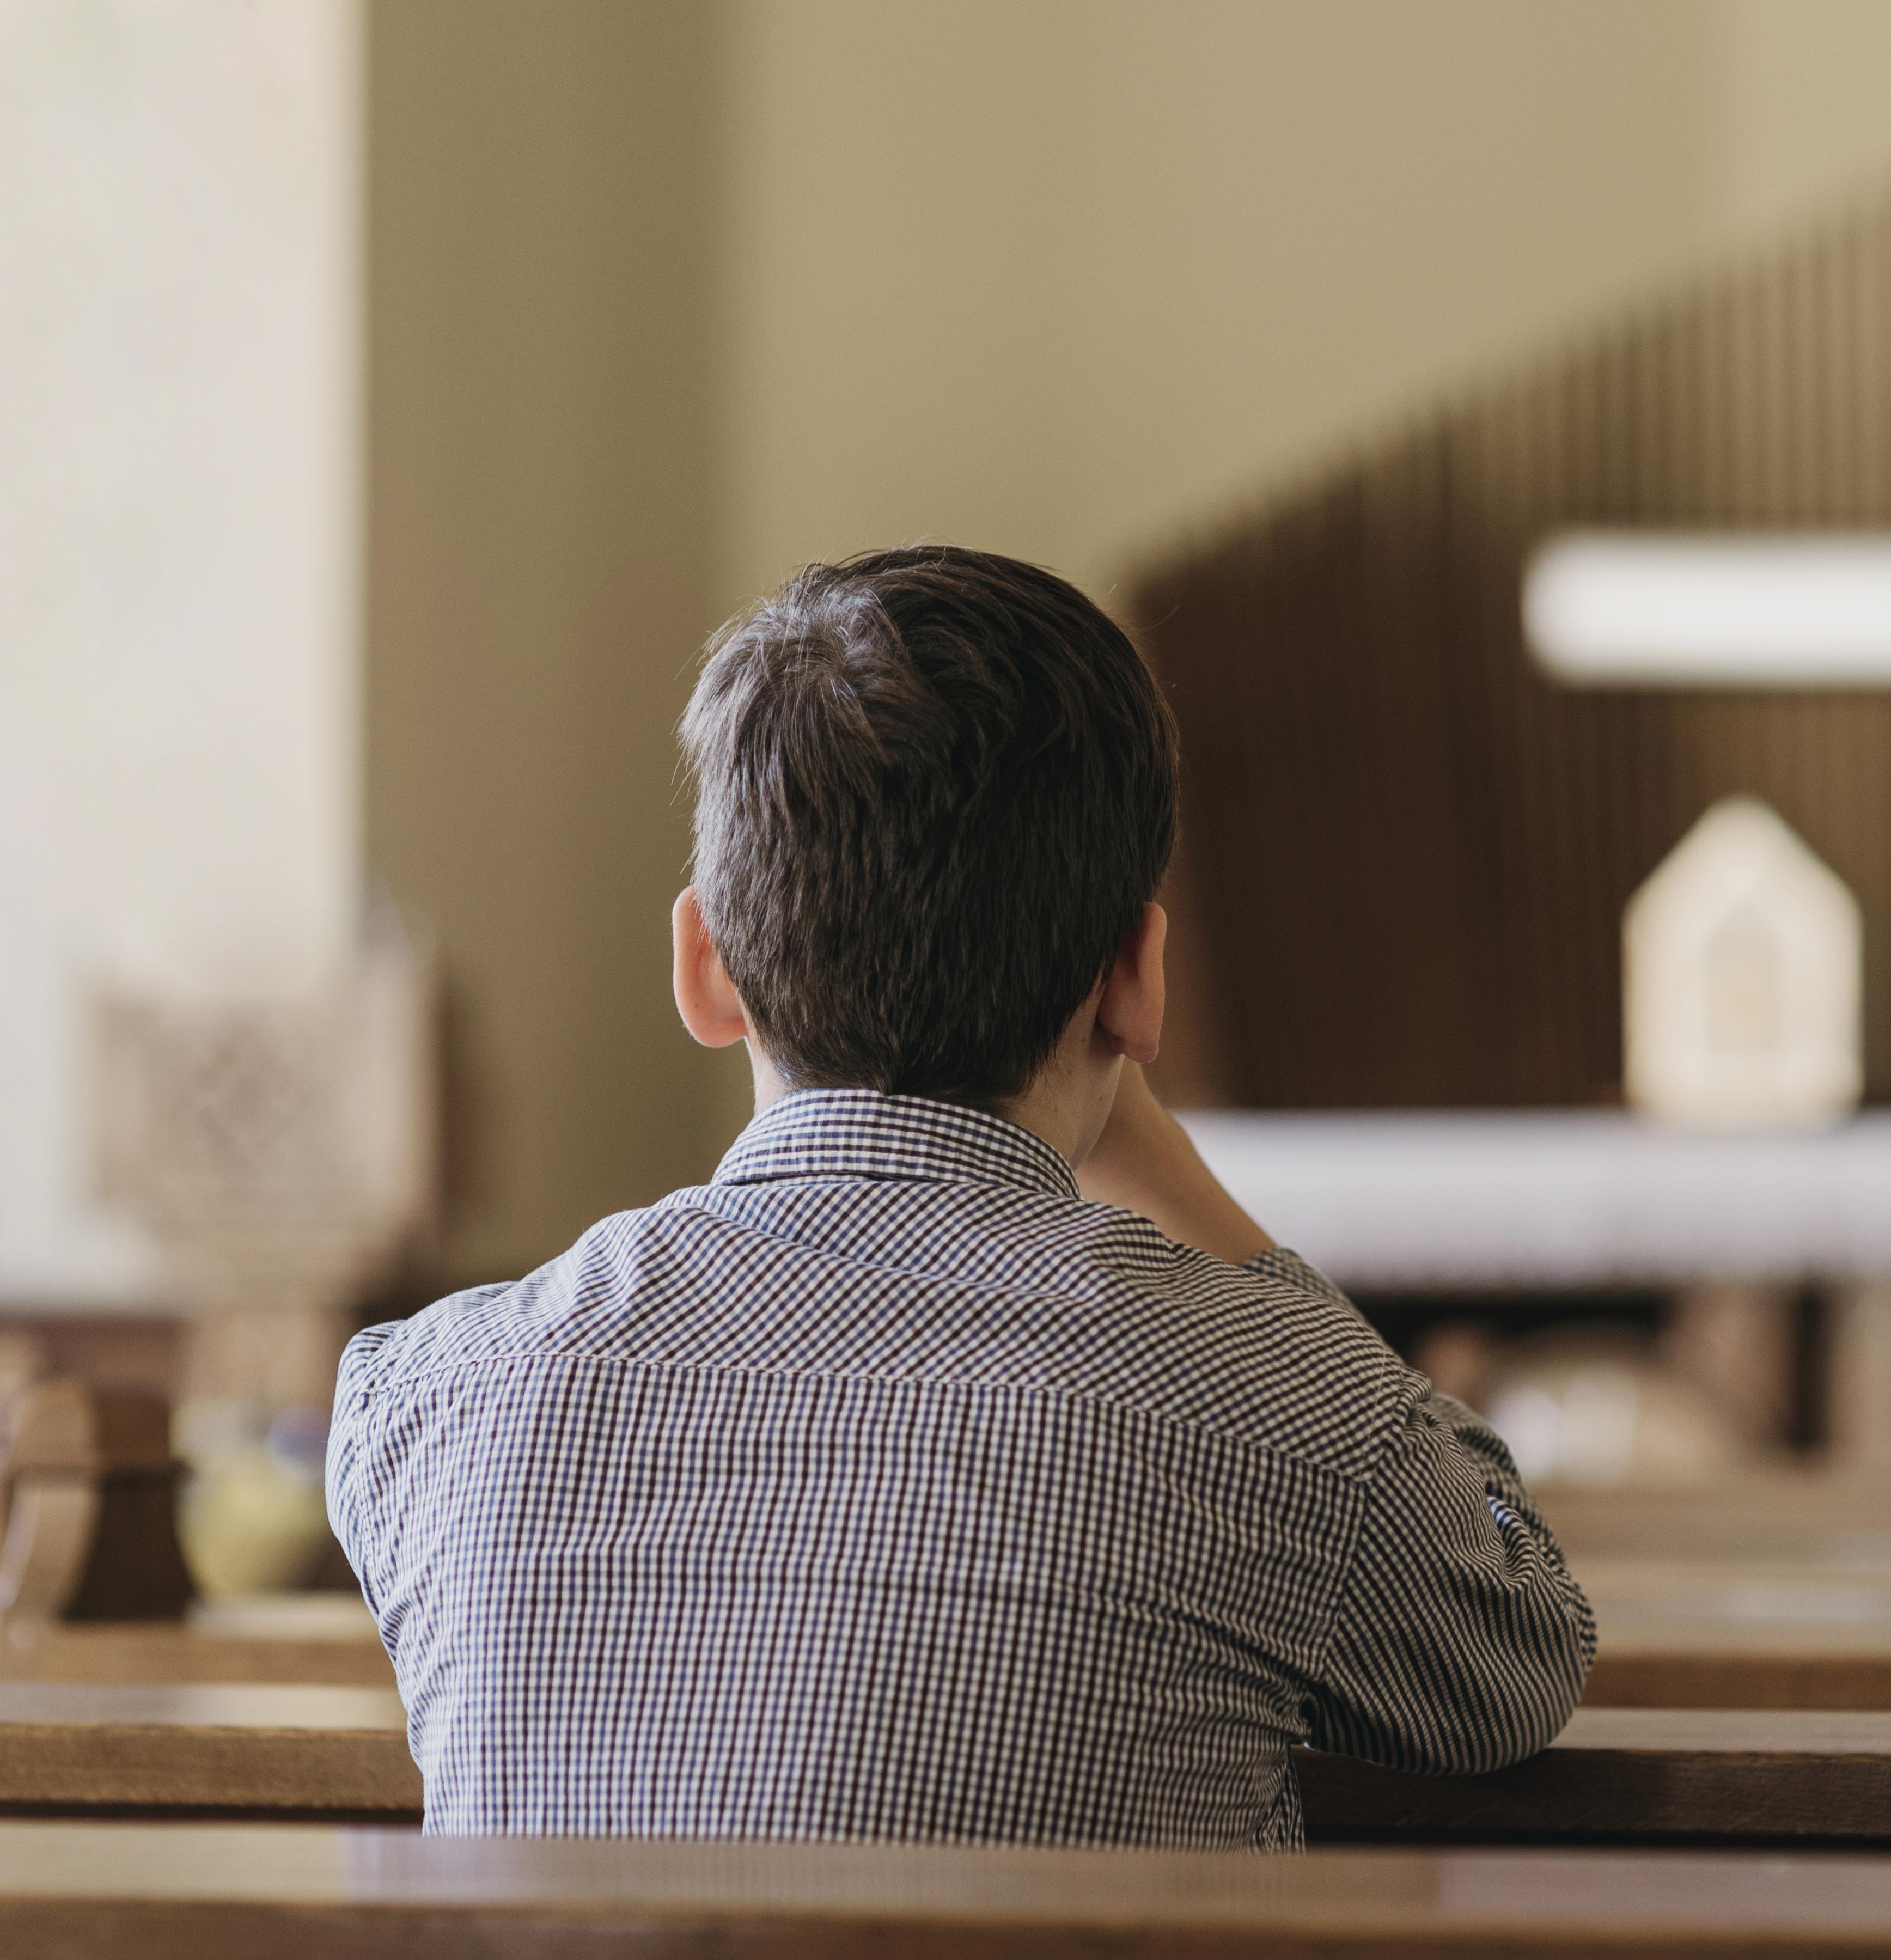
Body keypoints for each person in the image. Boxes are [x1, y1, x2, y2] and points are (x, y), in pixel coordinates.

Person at [328, 545, 1591, 1845]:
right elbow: (1513, 1659)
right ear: (1135, 981)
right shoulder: (1276, 1408)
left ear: (703, 966)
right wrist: (1160, 1158)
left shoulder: (428, 1396)